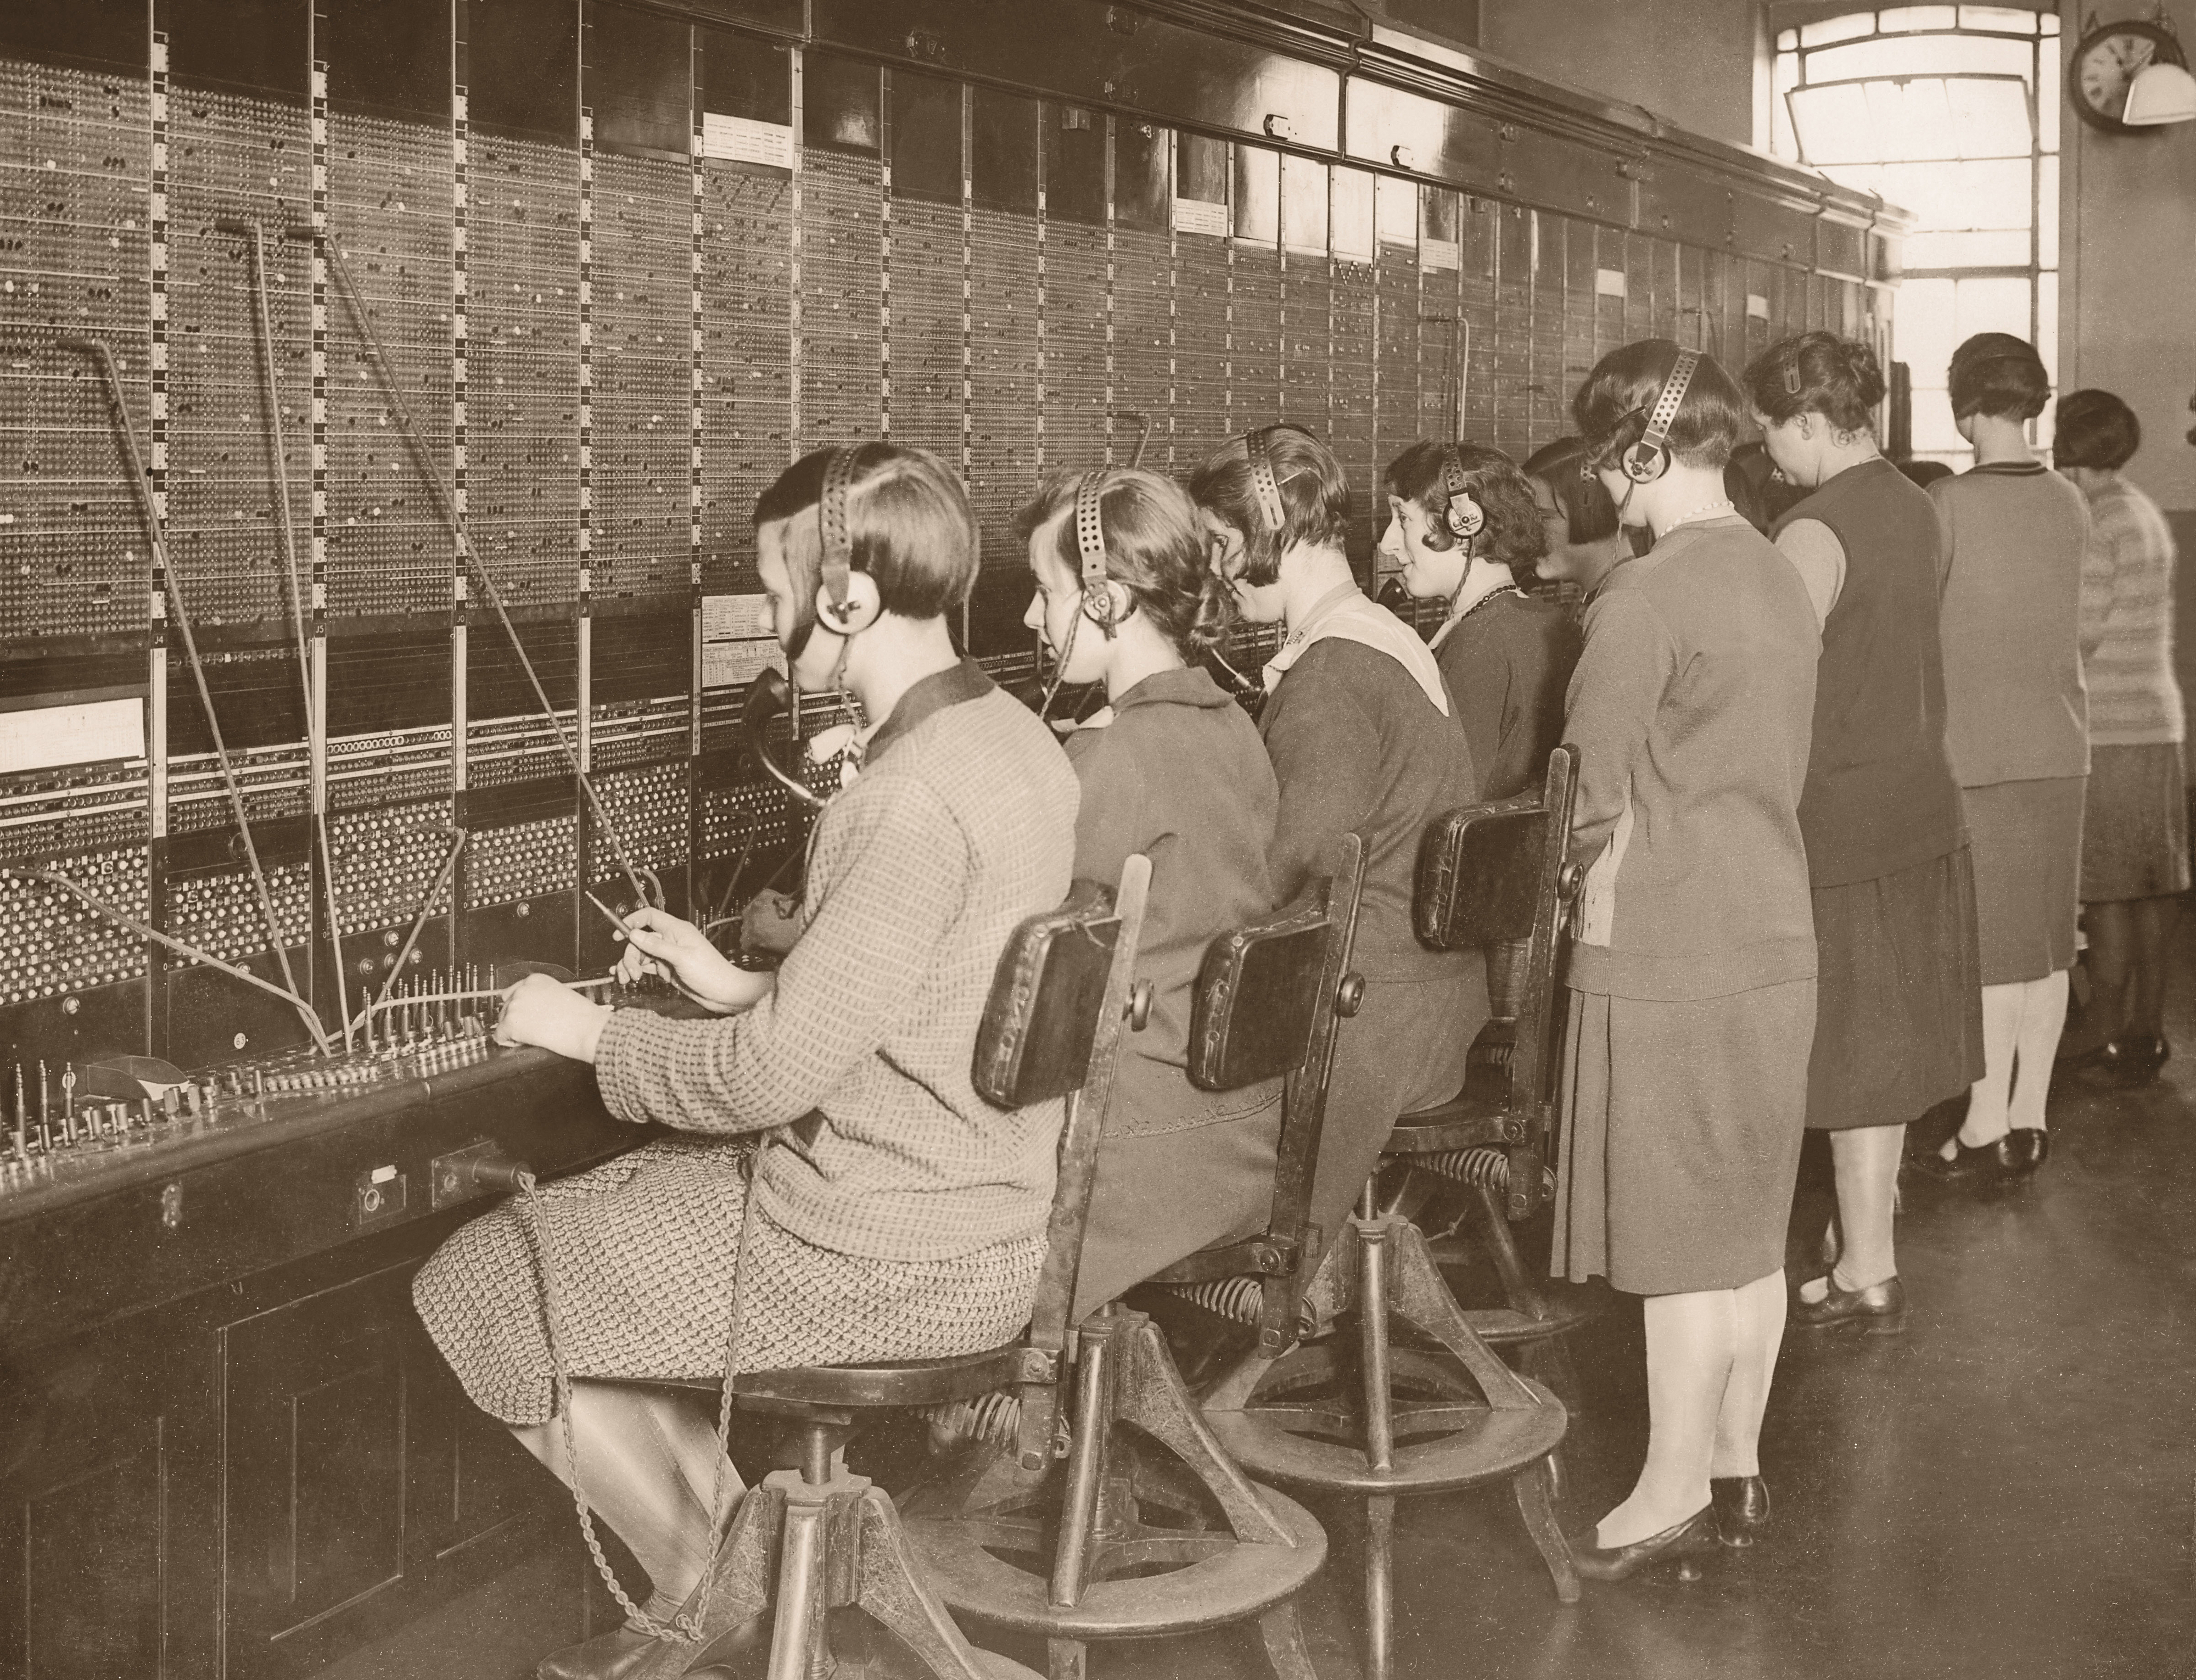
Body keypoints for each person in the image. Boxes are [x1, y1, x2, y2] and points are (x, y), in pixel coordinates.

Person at [413, 443, 1079, 1680]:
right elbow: (936, 983)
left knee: (484, 1283)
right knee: (602, 1225)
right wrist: (745, 986)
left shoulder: (902, 797)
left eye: (776, 596)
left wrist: (583, 1030)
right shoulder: (1014, 741)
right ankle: (734, 1566)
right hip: (982, 1217)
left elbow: (765, 1084)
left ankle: (708, 1590)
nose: (770, 627)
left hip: (882, 1250)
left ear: (845, 601)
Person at [1552, 340, 1819, 1578]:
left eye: (1612, 460)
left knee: (1673, 1238)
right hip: (1772, 931)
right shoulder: (1774, 573)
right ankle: (1733, 1465)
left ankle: (1662, 1493)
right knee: (1744, 1229)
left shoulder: (1641, 597)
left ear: (1642, 455)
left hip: (1663, 944)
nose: (1606, 485)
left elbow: (1586, 798)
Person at [1189, 424, 1488, 1269]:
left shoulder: (1330, 680)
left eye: (1220, 547)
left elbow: (1284, 879)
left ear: (1267, 537)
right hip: (1424, 1000)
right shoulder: (1377, 635)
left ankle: (1273, 1280)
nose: (1214, 572)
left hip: (1375, 1029)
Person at [1743, 331, 1983, 1335]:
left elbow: (1769, 681)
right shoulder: (1915, 504)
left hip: (1836, 819)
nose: (1766, 453)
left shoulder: (1811, 528)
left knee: (1846, 1053)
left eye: (1770, 433)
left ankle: (1866, 1267)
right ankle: (1863, 1237)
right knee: (1883, 1049)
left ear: (1807, 421)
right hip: (1920, 802)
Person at [1015, 466, 1285, 1318]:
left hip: (1131, 1165)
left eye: (1046, 592)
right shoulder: (1234, 727)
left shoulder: (1111, 758)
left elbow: (1014, 960)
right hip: (1236, 1142)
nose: (1031, 616)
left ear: (1108, 602)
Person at [1918, 335, 2090, 1181]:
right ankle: (2030, 1117)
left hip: (1974, 757)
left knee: (1990, 949)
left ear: (1965, 407)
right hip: (2061, 751)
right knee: (2049, 944)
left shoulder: (1947, 505)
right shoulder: (2070, 503)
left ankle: (1986, 1123)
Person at [2055, 388, 2187, 1085]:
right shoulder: (2141, 509)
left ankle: (2103, 1029)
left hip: (2109, 731)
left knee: (2106, 888)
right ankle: (2145, 1030)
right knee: (2149, 887)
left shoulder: (2097, 520)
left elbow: (2081, 633)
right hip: (2156, 724)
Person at [1380, 440, 1579, 803]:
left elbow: (1441, 804)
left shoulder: (1478, 645)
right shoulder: (1542, 621)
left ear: (1464, 523)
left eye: (1403, 518)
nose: (1386, 543)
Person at [1523, 435, 1627, 600]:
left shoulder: (1621, 603)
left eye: (1543, 517)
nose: (1527, 533)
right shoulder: (1610, 594)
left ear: (1590, 514)